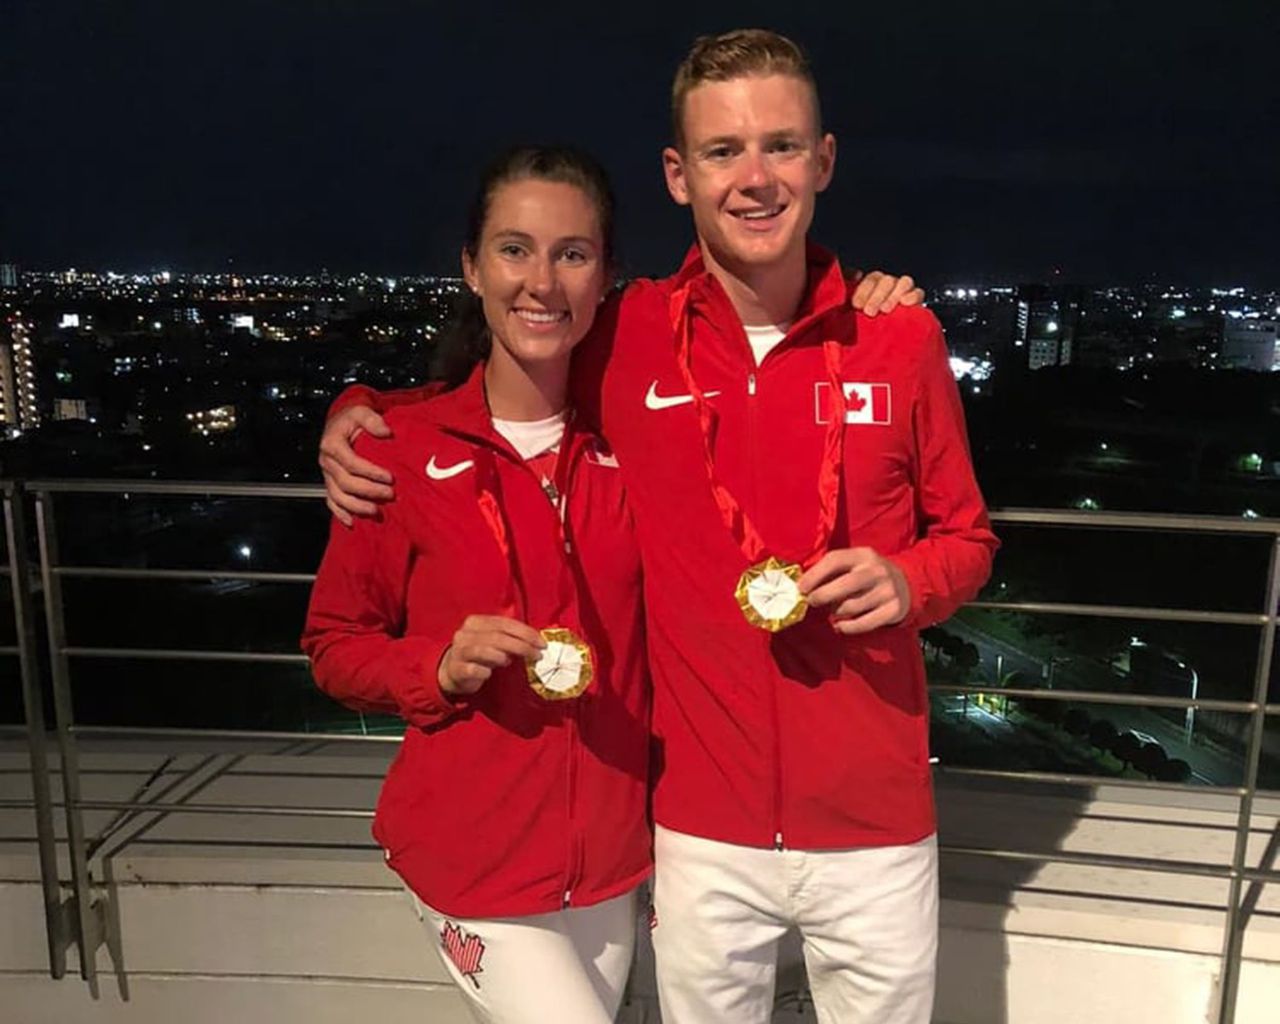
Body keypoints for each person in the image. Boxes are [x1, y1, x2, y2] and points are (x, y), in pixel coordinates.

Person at [320, 29, 997, 1024]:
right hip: (696, 829)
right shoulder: (631, 333)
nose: (753, 177)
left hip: (873, 825)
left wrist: (912, 583)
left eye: (779, 145)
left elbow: (968, 539)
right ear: (679, 175)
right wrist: (354, 407)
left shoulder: (895, 337)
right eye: (723, 151)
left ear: (823, 159)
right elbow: (499, 374)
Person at [302, 146, 651, 1024]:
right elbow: (335, 646)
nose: (542, 280)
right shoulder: (395, 452)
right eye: (514, 249)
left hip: (614, 857)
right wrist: (437, 671)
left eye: (573, 253)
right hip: (473, 862)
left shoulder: (640, 449)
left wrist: (867, 300)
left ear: (607, 276)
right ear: (471, 265)